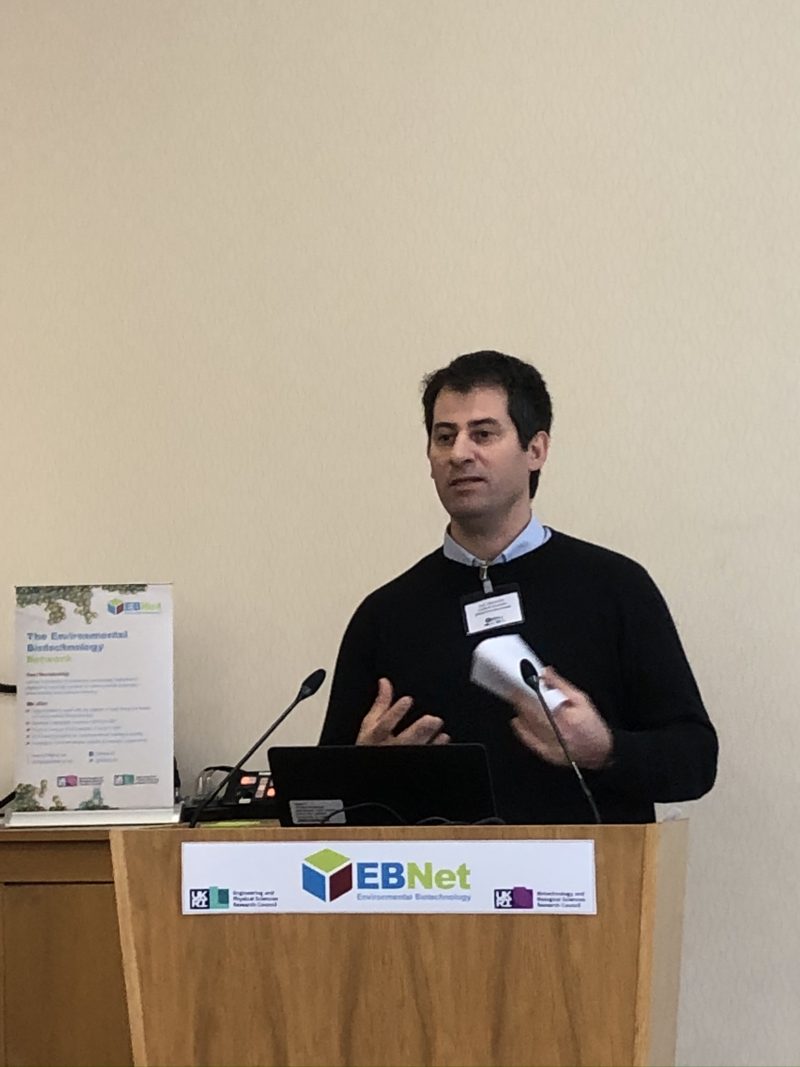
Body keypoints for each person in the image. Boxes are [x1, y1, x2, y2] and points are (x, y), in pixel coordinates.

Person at [319, 350, 718, 823]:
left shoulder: (615, 587)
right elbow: (319, 802)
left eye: (483, 434)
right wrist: (362, 772)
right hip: (435, 871)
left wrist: (605, 749)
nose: (459, 453)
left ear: (536, 449)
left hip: (589, 868)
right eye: (444, 437)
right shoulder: (385, 615)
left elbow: (696, 761)